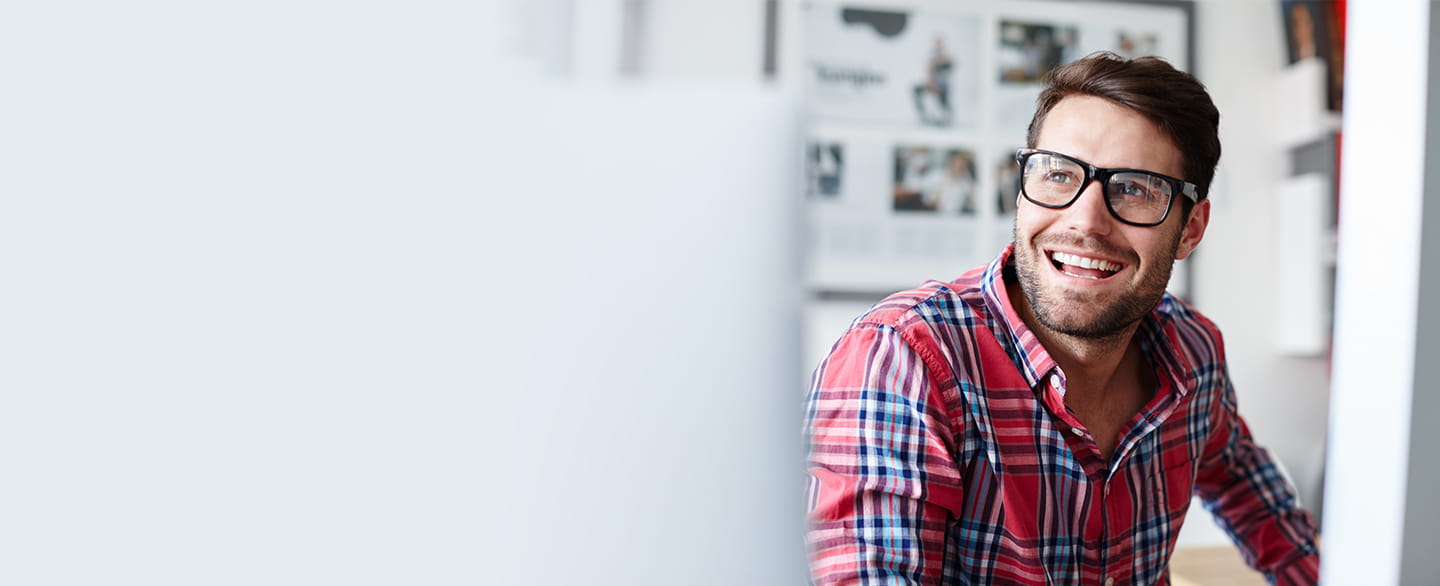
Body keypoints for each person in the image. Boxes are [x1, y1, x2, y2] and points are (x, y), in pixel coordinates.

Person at [804, 52, 1320, 585]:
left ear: (1190, 228)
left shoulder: (1192, 351)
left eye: (1134, 188)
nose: (1085, 222)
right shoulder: (902, 361)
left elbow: (1250, 491)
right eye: (1058, 174)